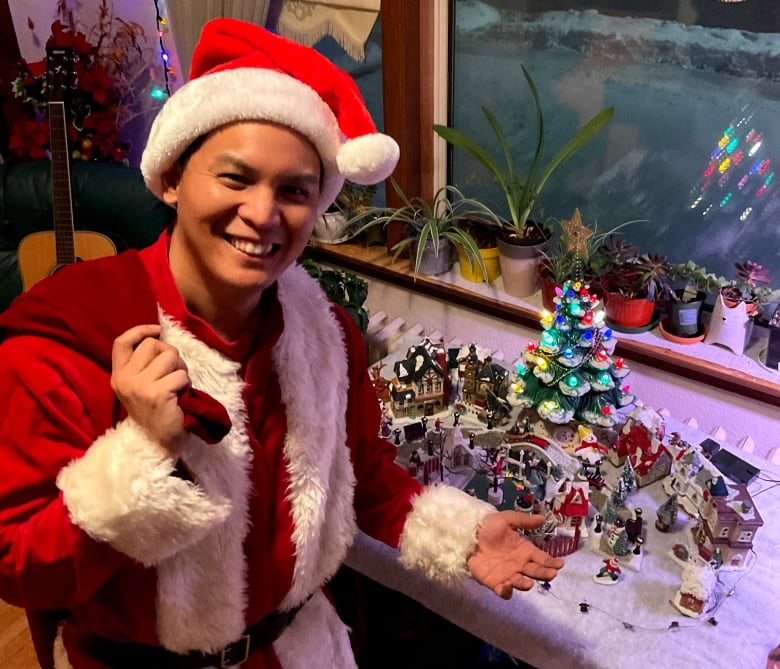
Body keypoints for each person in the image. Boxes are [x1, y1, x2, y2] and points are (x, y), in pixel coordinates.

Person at [0, 18, 563, 669]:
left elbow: (361, 475)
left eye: (294, 191)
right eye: (235, 179)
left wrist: (463, 532)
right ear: (175, 177)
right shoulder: (70, 341)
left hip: (301, 650)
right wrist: (143, 453)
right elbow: (19, 567)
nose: (264, 214)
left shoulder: (328, 334)